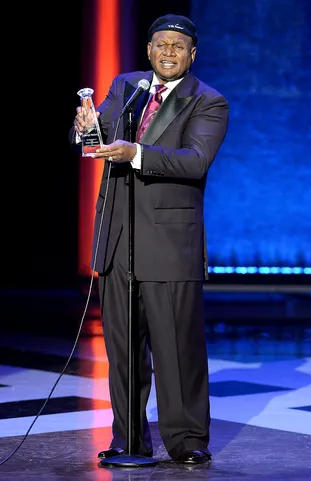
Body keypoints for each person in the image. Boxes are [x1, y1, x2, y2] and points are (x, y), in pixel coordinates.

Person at [70, 13, 229, 465]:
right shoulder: (127, 86)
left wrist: (136, 153)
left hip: (170, 245)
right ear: (149, 50)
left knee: (177, 350)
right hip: (118, 240)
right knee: (122, 350)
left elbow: (195, 161)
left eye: (179, 46)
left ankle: (187, 440)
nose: (169, 52)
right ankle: (130, 438)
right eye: (161, 44)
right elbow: (95, 136)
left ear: (192, 54)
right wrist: (85, 128)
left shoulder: (208, 101)